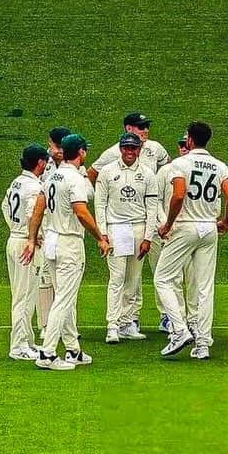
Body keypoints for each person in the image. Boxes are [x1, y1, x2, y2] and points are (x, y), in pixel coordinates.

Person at [22, 134, 111, 370]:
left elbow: (39, 210)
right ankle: (48, 353)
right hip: (69, 243)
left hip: (51, 240)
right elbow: (81, 212)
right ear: (81, 152)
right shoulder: (75, 179)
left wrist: (32, 239)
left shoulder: (51, 176)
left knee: (65, 297)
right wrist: (101, 238)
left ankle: (73, 349)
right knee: (63, 300)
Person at [154, 121, 228, 359]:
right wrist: (225, 222)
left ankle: (179, 330)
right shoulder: (220, 166)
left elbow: (179, 194)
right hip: (209, 228)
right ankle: (202, 344)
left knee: (163, 279)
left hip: (185, 226)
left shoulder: (180, 164)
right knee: (204, 286)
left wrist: (168, 224)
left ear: (189, 140)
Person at [94, 132, 159, 343]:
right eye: (126, 148)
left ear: (139, 149)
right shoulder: (107, 172)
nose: (129, 152)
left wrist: (148, 238)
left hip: (138, 228)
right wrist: (102, 234)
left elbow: (152, 208)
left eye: (133, 148)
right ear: (121, 149)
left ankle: (127, 322)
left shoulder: (148, 174)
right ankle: (112, 325)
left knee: (133, 279)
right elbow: (100, 205)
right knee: (117, 279)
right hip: (116, 229)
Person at [3, 144, 49, 360]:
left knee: (22, 295)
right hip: (25, 245)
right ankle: (18, 346)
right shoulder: (33, 187)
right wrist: (33, 238)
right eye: (45, 160)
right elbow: (34, 214)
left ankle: (27, 342)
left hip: (15, 239)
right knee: (25, 297)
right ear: (39, 162)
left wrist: (17, 229)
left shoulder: (17, 182)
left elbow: (5, 207)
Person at [148, 132, 197, 335]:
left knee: (193, 278)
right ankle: (173, 318)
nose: (184, 147)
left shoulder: (198, 169)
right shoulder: (166, 171)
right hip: (169, 232)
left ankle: (194, 319)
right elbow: (156, 200)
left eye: (187, 144)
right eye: (181, 144)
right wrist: (163, 224)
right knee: (172, 278)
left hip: (189, 230)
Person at [35, 126, 72, 337]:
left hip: (66, 232)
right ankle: (47, 325)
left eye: (52, 144)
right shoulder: (44, 165)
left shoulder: (74, 166)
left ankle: (67, 327)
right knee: (46, 279)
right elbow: (37, 199)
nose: (50, 148)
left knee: (67, 282)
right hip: (47, 231)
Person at [88, 112, 171, 185]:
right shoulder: (113, 153)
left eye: (147, 126)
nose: (146, 130)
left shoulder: (155, 147)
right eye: (141, 127)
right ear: (129, 129)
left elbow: (168, 166)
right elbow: (92, 173)